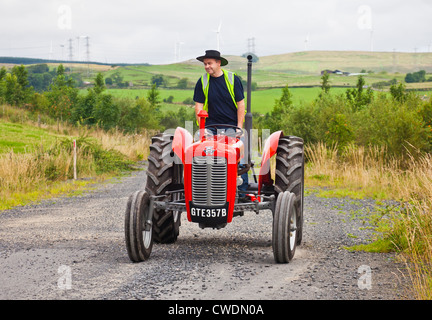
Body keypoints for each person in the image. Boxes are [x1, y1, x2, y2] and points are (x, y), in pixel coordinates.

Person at [193, 50, 249, 192]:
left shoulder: (232, 79)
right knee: (199, 150)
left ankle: (241, 191)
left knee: (238, 154)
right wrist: (202, 127)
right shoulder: (203, 81)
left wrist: (239, 127)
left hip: (230, 125)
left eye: (209, 63)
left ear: (218, 63)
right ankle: (200, 188)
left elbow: (241, 104)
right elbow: (199, 106)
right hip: (210, 126)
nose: (207, 66)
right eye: (205, 64)